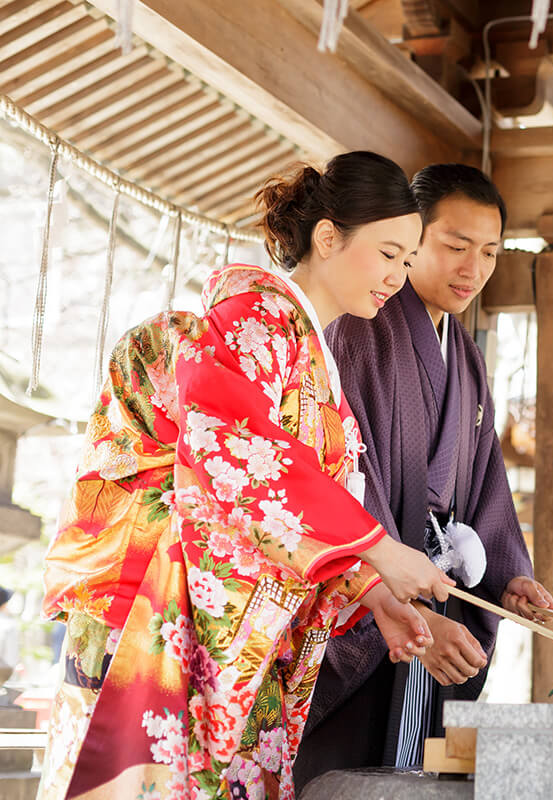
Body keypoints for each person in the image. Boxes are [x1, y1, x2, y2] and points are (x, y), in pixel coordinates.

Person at [37, 151, 454, 800]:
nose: (399, 277)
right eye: (389, 253)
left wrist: (374, 591)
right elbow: (232, 444)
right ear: (327, 237)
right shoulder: (257, 316)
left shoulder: (311, 350)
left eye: (408, 260)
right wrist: (380, 548)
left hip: (235, 635)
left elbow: (303, 503)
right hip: (166, 612)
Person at [294, 164, 553, 783]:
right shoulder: (359, 331)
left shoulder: (462, 351)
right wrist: (390, 578)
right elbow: (343, 472)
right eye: (455, 246)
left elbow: (486, 477)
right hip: (379, 588)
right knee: (352, 772)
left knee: (415, 770)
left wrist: (507, 572)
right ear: (414, 240)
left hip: (435, 586)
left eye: (490, 252)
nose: (474, 268)